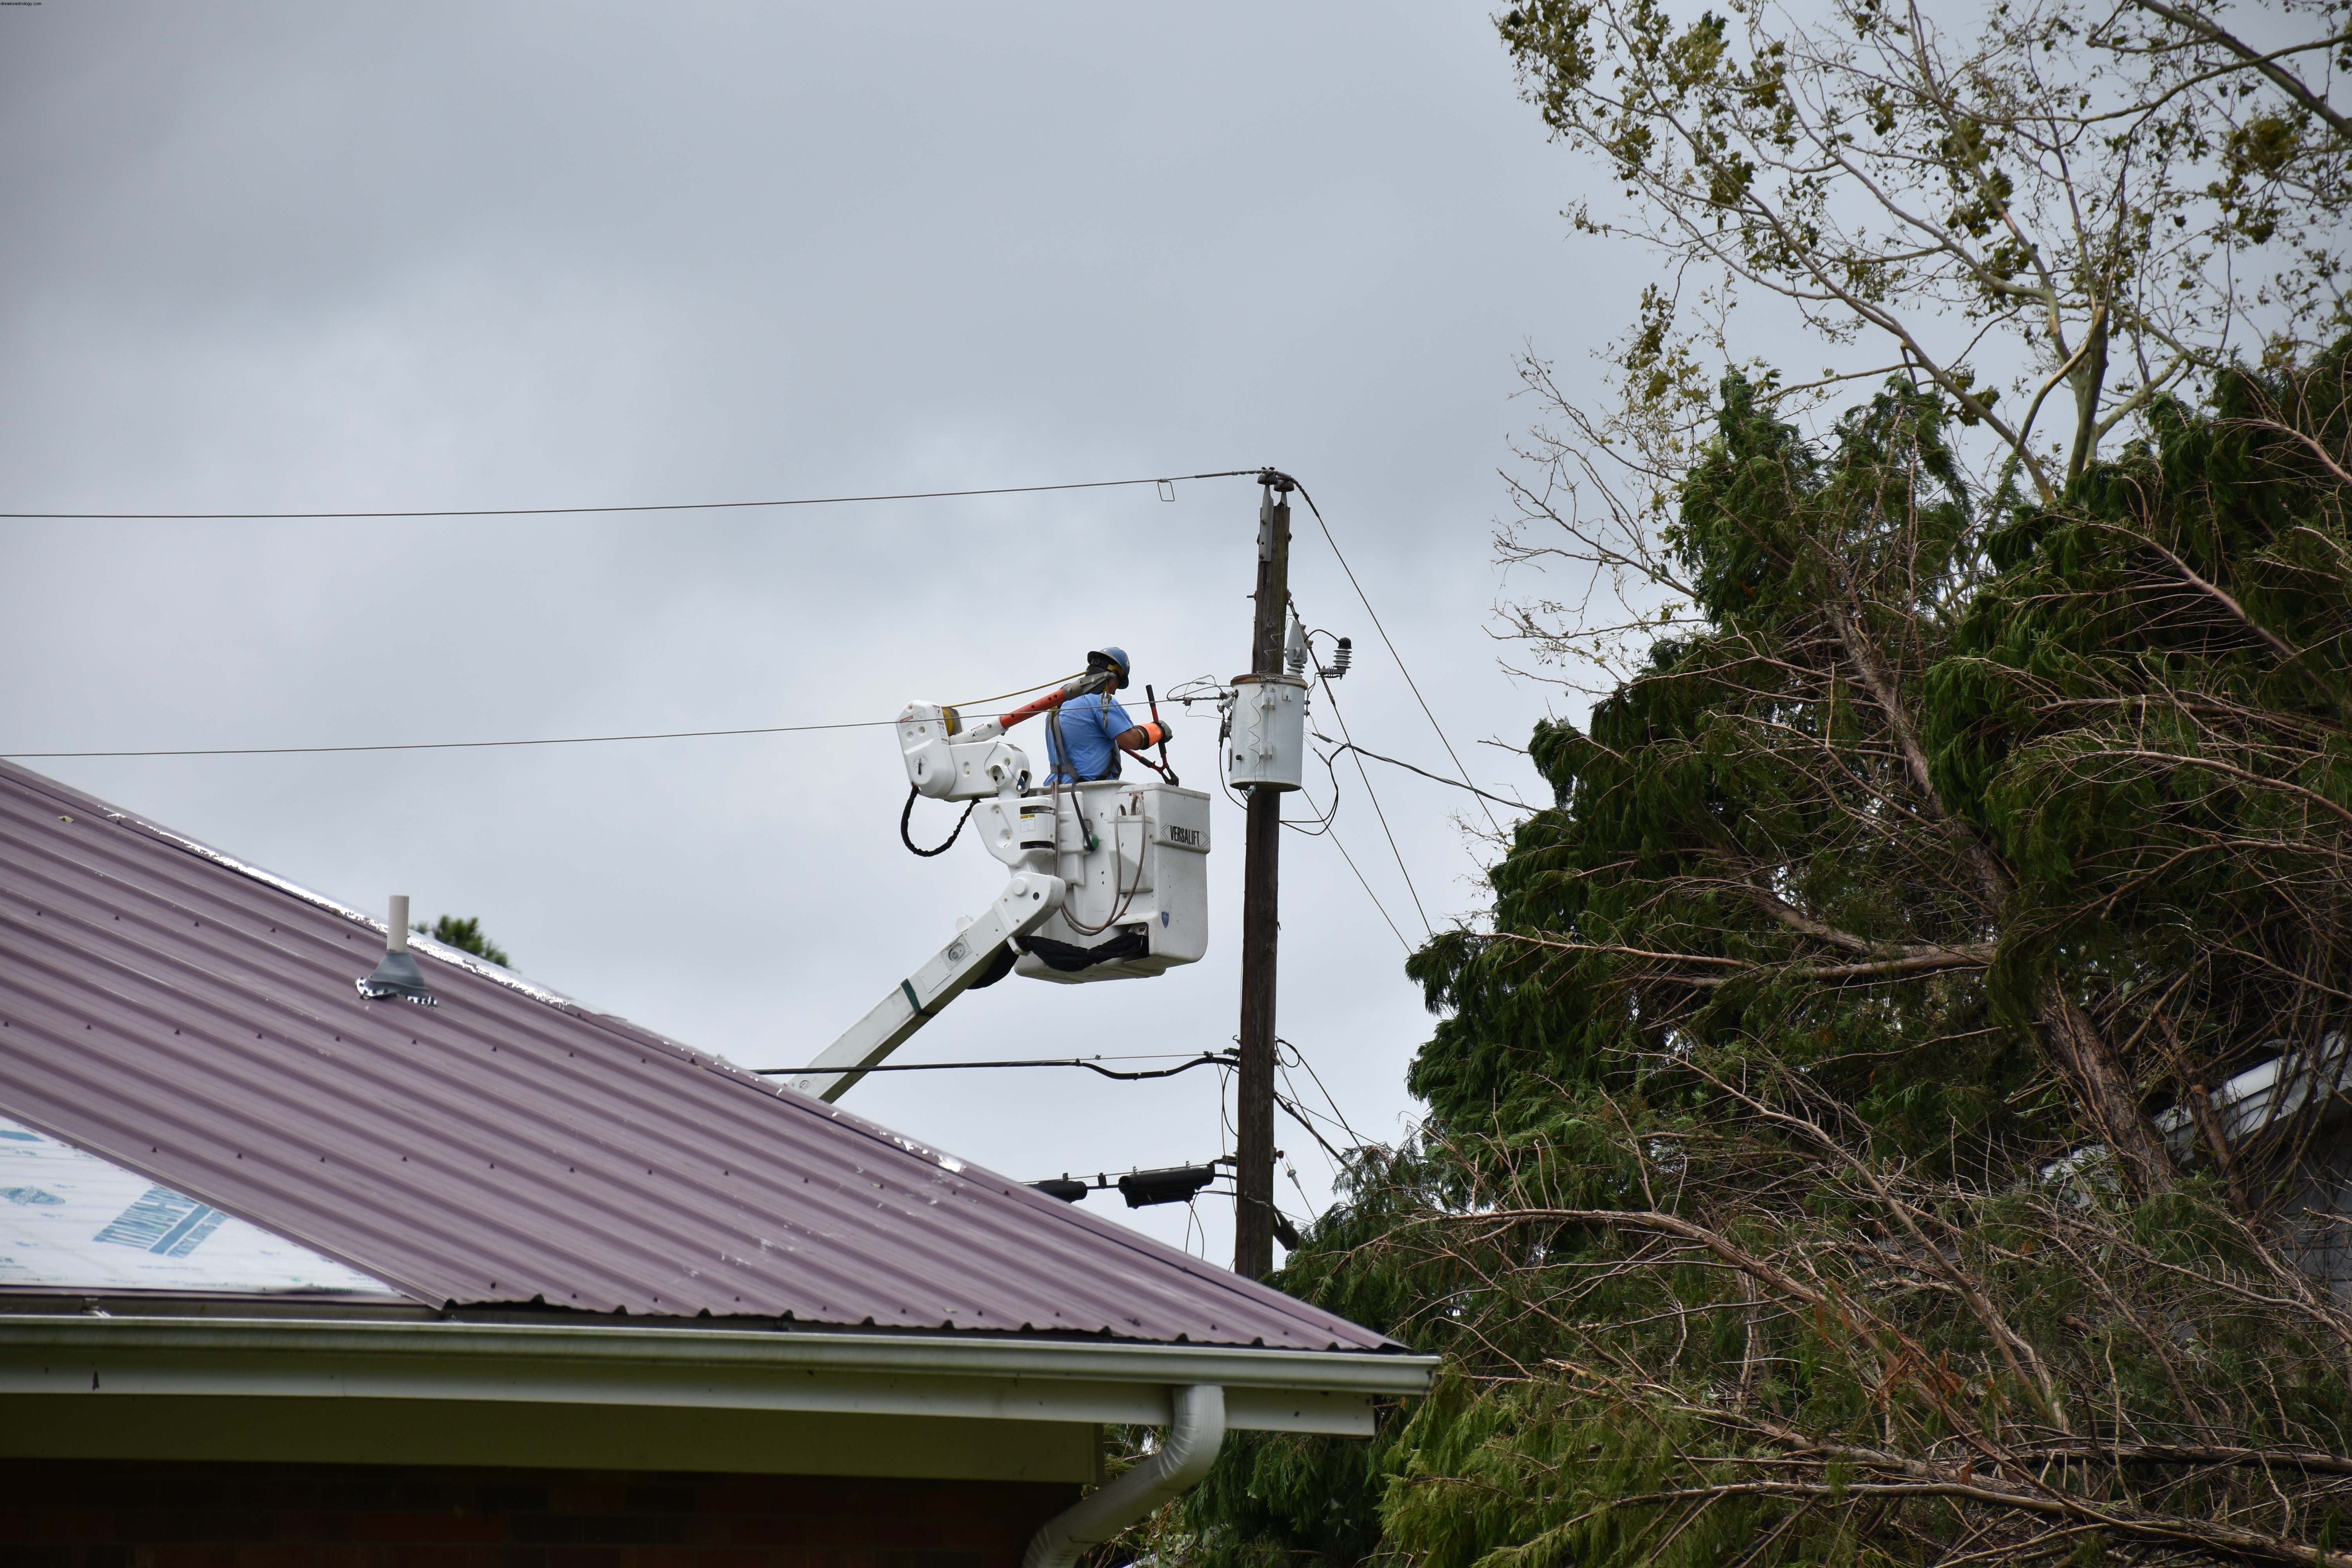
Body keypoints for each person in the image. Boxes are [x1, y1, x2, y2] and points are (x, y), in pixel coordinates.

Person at [1045, 646, 1173, 782]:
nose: (1114, 692)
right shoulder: (1100, 701)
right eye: (1117, 685)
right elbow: (1132, 740)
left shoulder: (1060, 703)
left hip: (1055, 790)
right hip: (1087, 795)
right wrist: (1159, 730)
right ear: (1113, 677)